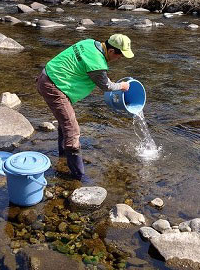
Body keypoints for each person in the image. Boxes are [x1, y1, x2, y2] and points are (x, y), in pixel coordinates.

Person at [36, 34, 134, 180]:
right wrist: (123, 86)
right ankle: (77, 175)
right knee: (73, 129)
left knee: (65, 122)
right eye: (120, 56)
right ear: (112, 51)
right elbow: (106, 86)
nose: (119, 59)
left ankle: (63, 157)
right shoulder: (97, 63)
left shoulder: (89, 43)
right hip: (53, 86)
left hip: (47, 76)